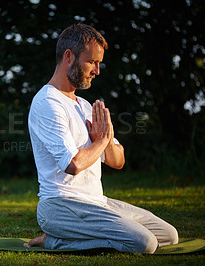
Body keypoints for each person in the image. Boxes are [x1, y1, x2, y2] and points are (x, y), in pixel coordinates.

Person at [24, 23, 178, 254]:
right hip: (61, 206)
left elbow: (117, 162)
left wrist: (108, 137)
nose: (97, 70)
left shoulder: (85, 106)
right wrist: (100, 142)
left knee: (168, 236)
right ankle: (55, 240)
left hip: (97, 203)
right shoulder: (47, 102)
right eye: (92, 62)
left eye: (99, 63)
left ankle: (70, 236)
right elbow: (72, 164)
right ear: (69, 56)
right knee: (144, 243)